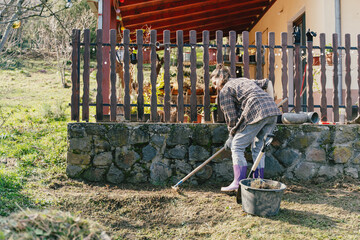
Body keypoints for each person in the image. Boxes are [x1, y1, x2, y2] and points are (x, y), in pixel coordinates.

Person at [210, 64, 281, 192]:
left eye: (215, 83)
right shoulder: (243, 80)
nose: (215, 87)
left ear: (221, 76)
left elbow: (231, 118)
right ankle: (258, 182)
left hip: (256, 110)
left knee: (237, 146)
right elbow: (267, 82)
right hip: (272, 111)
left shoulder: (225, 90)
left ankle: (237, 183)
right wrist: (270, 101)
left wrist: (231, 137)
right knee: (259, 148)